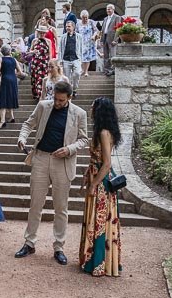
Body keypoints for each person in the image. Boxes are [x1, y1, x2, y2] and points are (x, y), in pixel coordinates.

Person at [15, 81, 90, 265]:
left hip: (63, 162)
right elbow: (28, 123)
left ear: (69, 98)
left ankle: (59, 247)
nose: (57, 102)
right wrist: (22, 137)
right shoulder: (43, 106)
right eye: (55, 98)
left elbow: (84, 139)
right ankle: (29, 242)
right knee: (35, 204)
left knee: (61, 208)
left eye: (61, 100)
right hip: (40, 158)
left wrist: (69, 149)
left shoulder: (80, 113)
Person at [79, 98, 123, 277]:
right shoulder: (101, 131)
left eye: (93, 107)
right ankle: (93, 260)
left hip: (102, 181)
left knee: (99, 220)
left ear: (100, 111)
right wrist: (86, 175)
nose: (90, 109)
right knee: (96, 219)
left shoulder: (104, 132)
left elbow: (106, 164)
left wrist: (94, 184)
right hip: (96, 175)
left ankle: (97, 262)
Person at [0, 45, 26, 128]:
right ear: (9, 51)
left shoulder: (0, 59)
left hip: (5, 79)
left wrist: (4, 74)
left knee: (4, 97)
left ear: (2, 52)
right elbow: (20, 72)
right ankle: (11, 117)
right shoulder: (14, 60)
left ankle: (2, 121)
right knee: (10, 96)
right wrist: (12, 74)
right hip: (13, 79)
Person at [57, 18, 85, 94]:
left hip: (76, 58)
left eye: (69, 26)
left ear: (73, 27)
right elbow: (60, 49)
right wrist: (60, 60)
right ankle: (69, 92)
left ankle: (75, 88)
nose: (67, 28)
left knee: (77, 73)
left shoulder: (79, 36)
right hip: (66, 59)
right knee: (67, 77)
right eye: (66, 27)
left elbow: (81, 48)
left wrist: (81, 60)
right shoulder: (63, 37)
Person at [26, 34, 50, 101]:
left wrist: (50, 64)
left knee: (43, 79)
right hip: (36, 62)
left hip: (44, 63)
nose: (42, 34)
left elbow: (50, 53)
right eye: (40, 32)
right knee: (36, 79)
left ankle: (42, 96)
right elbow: (29, 52)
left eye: (43, 32)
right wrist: (32, 51)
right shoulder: (34, 41)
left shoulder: (48, 41)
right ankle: (38, 95)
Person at [101, 3, 121, 76]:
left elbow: (118, 29)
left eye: (109, 9)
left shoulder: (117, 17)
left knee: (112, 55)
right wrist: (101, 40)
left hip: (112, 38)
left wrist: (115, 40)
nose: (108, 10)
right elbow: (103, 29)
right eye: (107, 9)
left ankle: (113, 70)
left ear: (113, 9)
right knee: (105, 55)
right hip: (105, 37)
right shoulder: (105, 18)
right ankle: (106, 70)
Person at [77, 11, 97, 76]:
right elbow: (76, 32)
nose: (85, 19)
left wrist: (94, 36)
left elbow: (96, 31)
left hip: (89, 42)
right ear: (81, 17)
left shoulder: (91, 22)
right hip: (81, 42)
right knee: (82, 57)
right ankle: (82, 70)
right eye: (83, 18)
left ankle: (86, 71)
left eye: (86, 17)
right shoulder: (78, 24)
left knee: (88, 57)